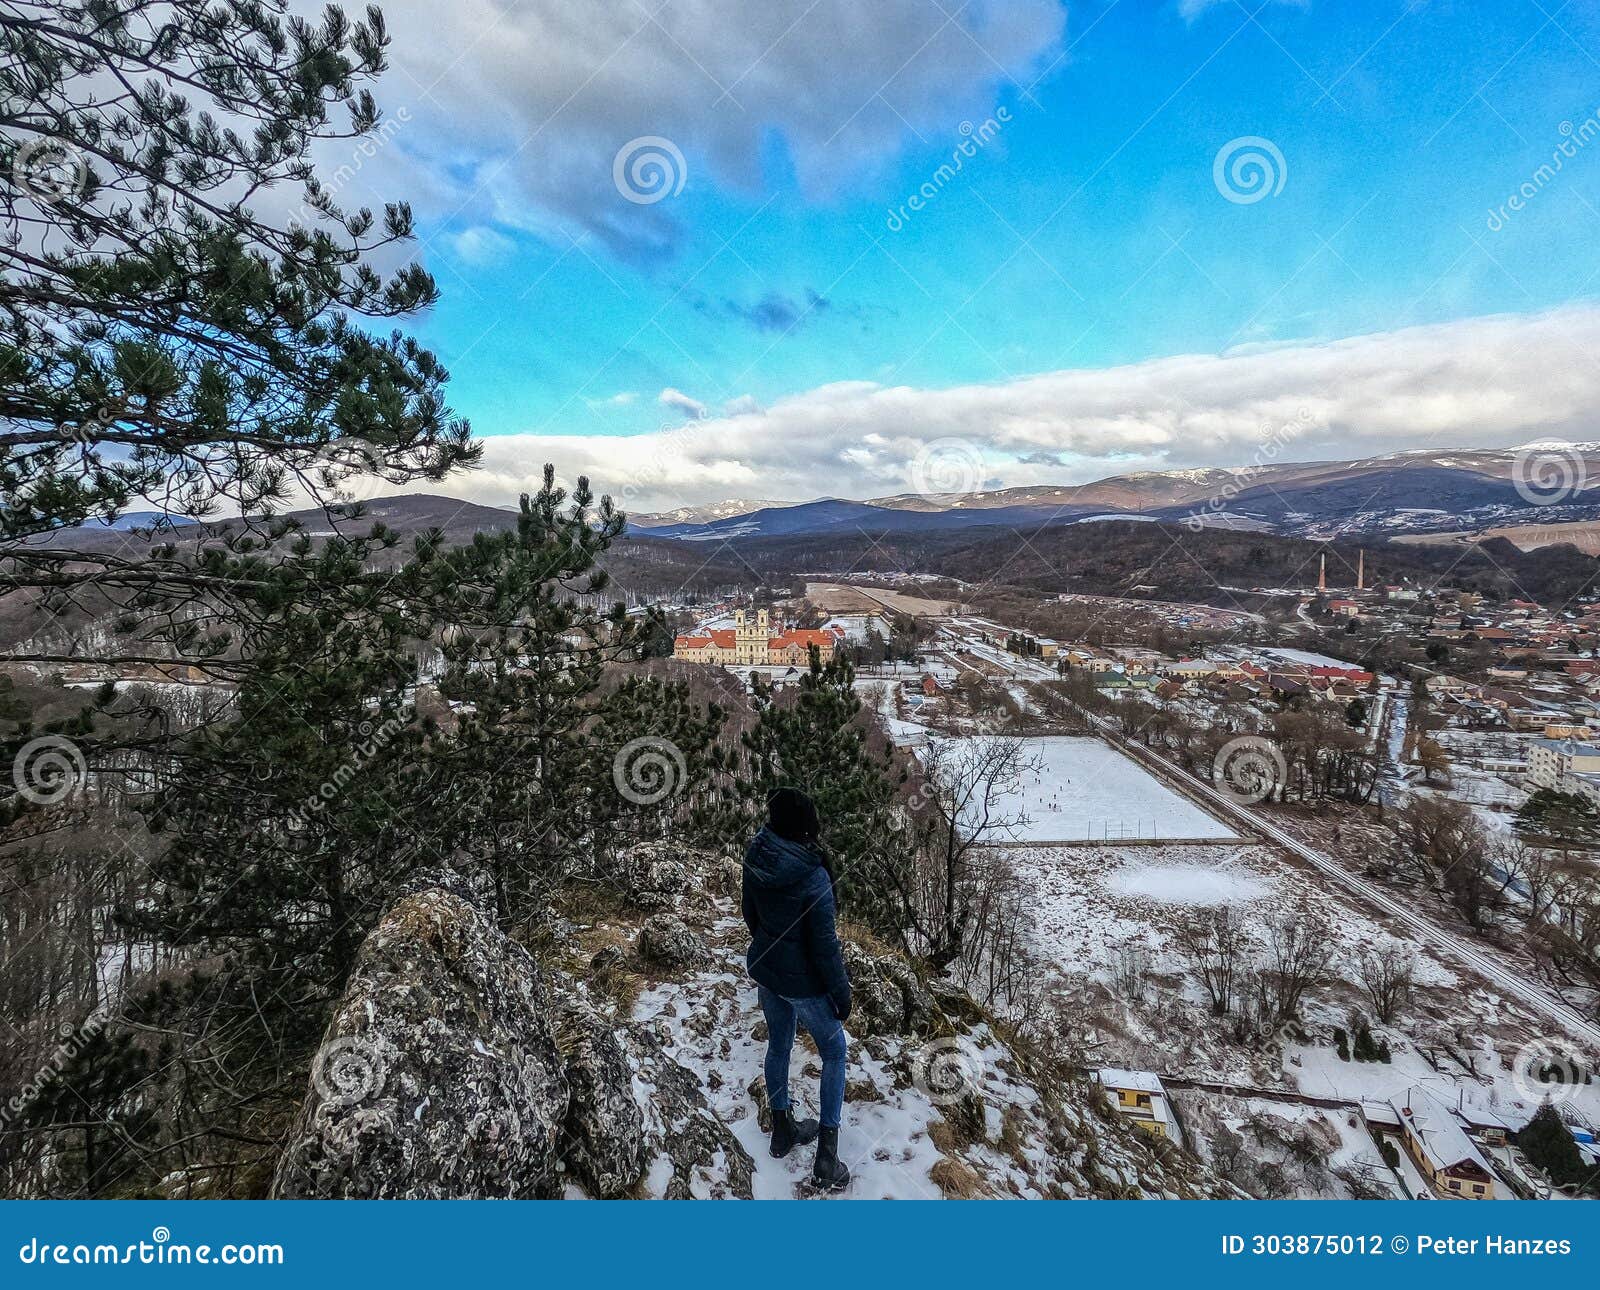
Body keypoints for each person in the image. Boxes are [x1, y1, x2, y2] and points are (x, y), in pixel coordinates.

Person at [741, 786, 852, 1191]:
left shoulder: (757, 854)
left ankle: (783, 1128)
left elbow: (749, 914)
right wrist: (841, 995)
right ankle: (826, 1157)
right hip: (803, 982)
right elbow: (826, 950)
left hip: (769, 973)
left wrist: (773, 953)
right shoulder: (814, 876)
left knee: (779, 1044)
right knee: (835, 1051)